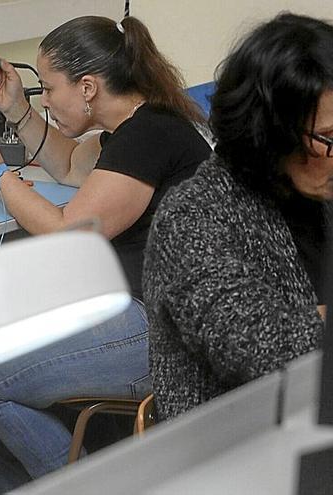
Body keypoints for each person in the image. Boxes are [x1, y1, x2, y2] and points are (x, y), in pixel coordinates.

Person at [0, 15, 211, 491]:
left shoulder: (148, 137)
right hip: (136, 309)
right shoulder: (136, 126)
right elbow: (70, 162)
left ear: (88, 87)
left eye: (48, 90)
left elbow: (70, 233)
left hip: (165, 336)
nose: (45, 102)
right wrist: (16, 111)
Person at [143, 13, 331, 420]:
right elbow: (269, 349)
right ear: (272, 129)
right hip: (235, 449)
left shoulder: (318, 191)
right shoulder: (192, 219)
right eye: (329, 139)